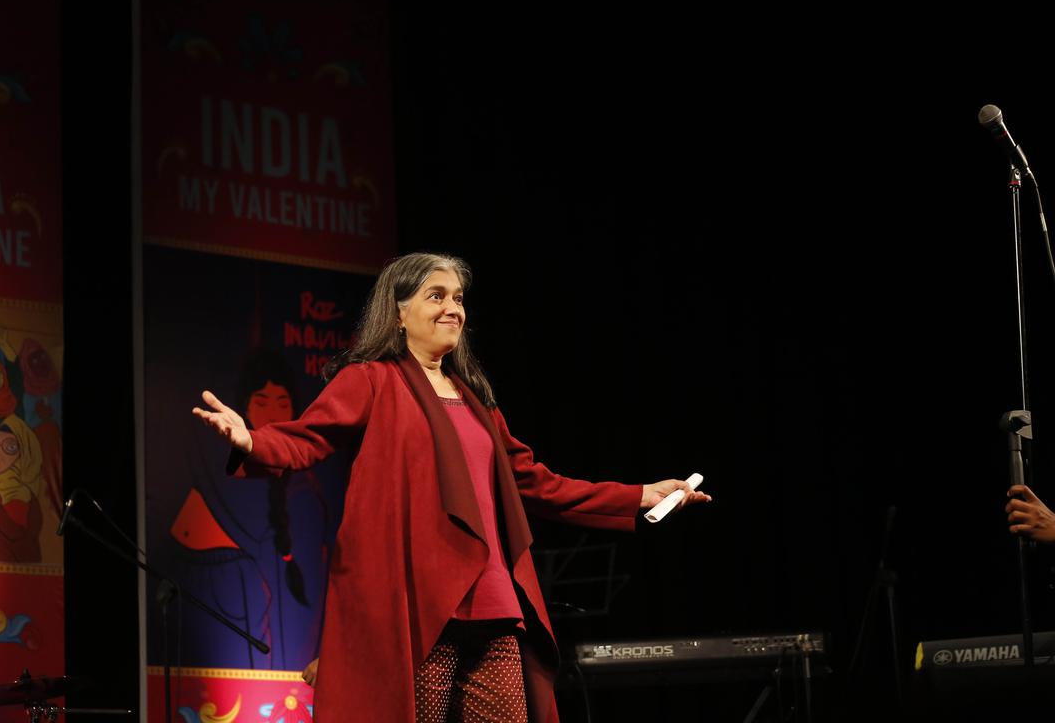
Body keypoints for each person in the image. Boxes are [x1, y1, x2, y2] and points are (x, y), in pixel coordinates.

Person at [193, 253, 711, 723]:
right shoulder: (372, 380)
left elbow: (536, 483)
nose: (452, 309)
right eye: (435, 296)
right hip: (421, 609)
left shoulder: (478, 401)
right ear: (398, 313)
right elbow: (305, 441)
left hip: (493, 602)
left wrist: (641, 494)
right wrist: (252, 440)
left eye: (458, 299)